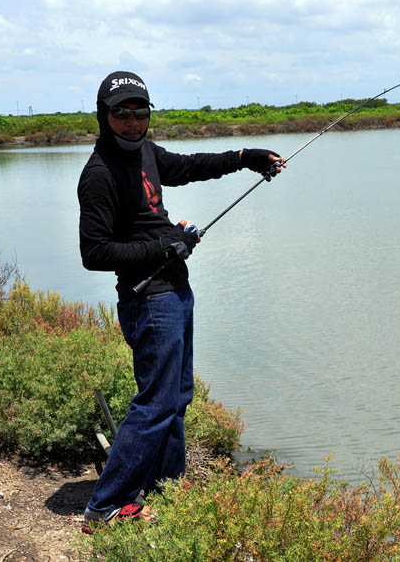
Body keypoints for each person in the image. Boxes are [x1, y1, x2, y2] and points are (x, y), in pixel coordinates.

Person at [77, 71, 285, 533]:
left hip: (174, 290)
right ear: (104, 116)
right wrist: (163, 247)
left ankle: (167, 489)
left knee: (178, 397)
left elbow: (190, 166)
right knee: (155, 403)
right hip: (149, 300)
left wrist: (245, 157)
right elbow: (94, 253)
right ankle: (105, 505)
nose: (133, 122)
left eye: (141, 112)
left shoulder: (147, 153)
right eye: (122, 113)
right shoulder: (99, 174)